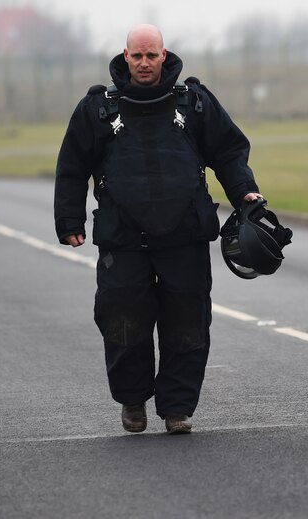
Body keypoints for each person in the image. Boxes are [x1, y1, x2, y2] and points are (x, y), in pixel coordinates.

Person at [54, 24, 263, 434]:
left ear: (164, 55)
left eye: (152, 55)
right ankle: (133, 401)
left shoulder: (195, 102)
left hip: (183, 233)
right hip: (123, 237)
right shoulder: (97, 109)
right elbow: (72, 167)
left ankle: (177, 408)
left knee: (187, 320)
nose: (145, 63)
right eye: (138, 56)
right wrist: (69, 220)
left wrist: (245, 192)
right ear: (125, 56)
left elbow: (229, 150)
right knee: (122, 319)